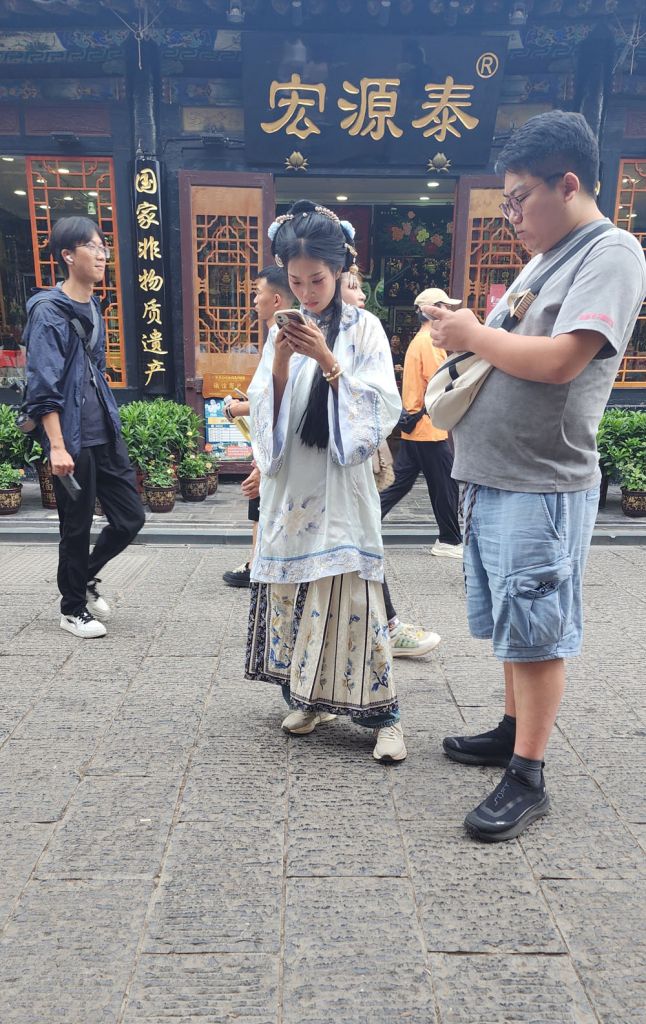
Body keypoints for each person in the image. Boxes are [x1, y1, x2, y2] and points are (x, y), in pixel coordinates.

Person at [425, 111, 646, 841]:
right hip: (497, 473)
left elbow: (560, 361)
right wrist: (467, 328)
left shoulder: (610, 252)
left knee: (539, 628)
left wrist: (470, 332)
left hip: (542, 481)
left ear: (569, 184)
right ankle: (511, 729)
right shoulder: (545, 254)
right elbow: (508, 349)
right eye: (506, 202)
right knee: (514, 621)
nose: (511, 215)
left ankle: (528, 775)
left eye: (520, 199)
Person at [245, 200, 406, 762]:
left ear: (339, 273)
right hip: (294, 488)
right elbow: (265, 402)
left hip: (341, 490)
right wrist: (287, 362)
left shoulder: (367, 330)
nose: (307, 292)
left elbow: (384, 407)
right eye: (295, 281)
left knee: (353, 597)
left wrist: (329, 362)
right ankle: (309, 696)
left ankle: (386, 716)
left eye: (317, 280)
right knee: (299, 594)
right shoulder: (280, 330)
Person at [24, 217, 145, 639]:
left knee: (130, 519)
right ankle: (72, 608)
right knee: (75, 527)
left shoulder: (94, 306)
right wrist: (57, 446)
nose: (101, 255)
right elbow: (43, 386)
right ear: (68, 256)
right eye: (91, 247)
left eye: (103, 247)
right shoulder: (47, 312)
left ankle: (85, 577)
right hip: (71, 439)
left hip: (104, 431)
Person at [343, 272, 441, 658]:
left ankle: (385, 625)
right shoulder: (423, 340)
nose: (363, 295)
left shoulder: (365, 330)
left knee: (364, 536)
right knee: (356, 542)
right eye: (353, 286)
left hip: (360, 452)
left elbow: (381, 399)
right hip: (420, 429)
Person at [223, 265, 295, 588]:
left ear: (276, 299)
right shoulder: (273, 337)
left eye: (258, 292)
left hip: (279, 447)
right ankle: (258, 562)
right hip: (268, 445)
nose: (254, 299)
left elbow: (279, 398)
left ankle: (260, 564)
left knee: (268, 508)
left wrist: (239, 408)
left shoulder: (285, 339)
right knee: (261, 507)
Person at [380, 287, 463, 559]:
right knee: (445, 486)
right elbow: (442, 382)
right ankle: (449, 540)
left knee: (399, 484)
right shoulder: (429, 343)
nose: (449, 312)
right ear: (433, 310)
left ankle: (361, 526)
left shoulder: (420, 340)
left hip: (417, 427)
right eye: (445, 307)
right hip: (429, 429)